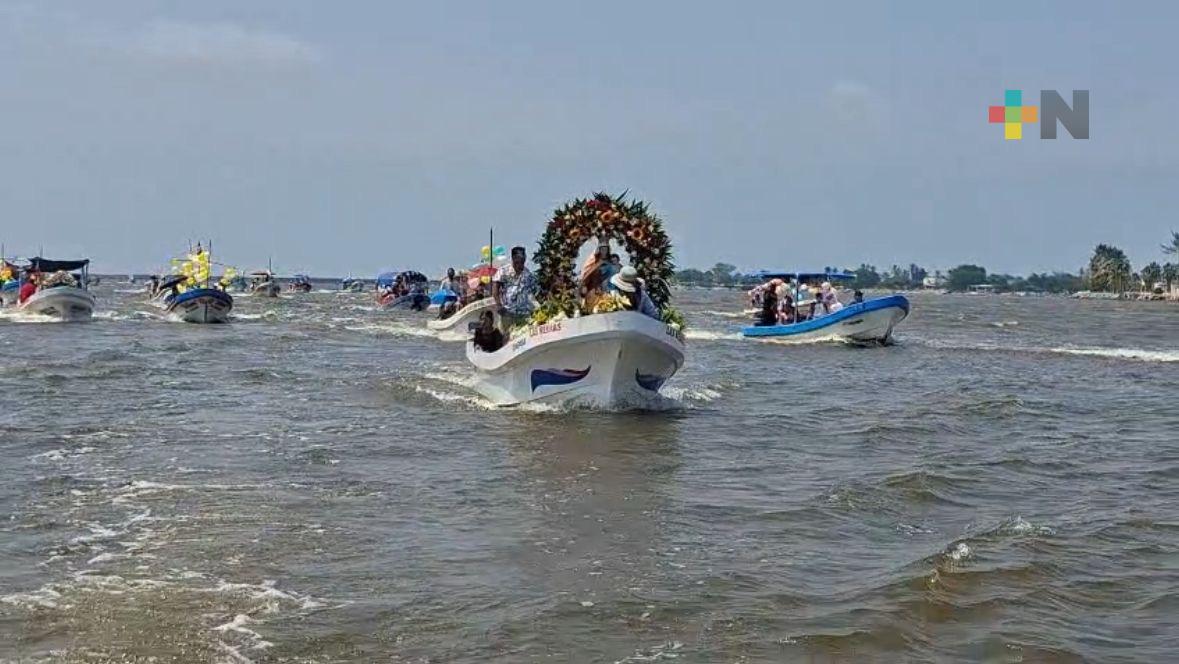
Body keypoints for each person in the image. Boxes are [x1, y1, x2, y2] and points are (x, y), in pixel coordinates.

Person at [493, 246, 538, 328]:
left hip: (525, 313)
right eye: (518, 261)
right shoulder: (503, 271)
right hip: (507, 311)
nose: (520, 264)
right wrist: (498, 304)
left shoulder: (528, 274)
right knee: (507, 337)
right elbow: (495, 289)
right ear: (513, 259)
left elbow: (535, 291)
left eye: (523, 261)